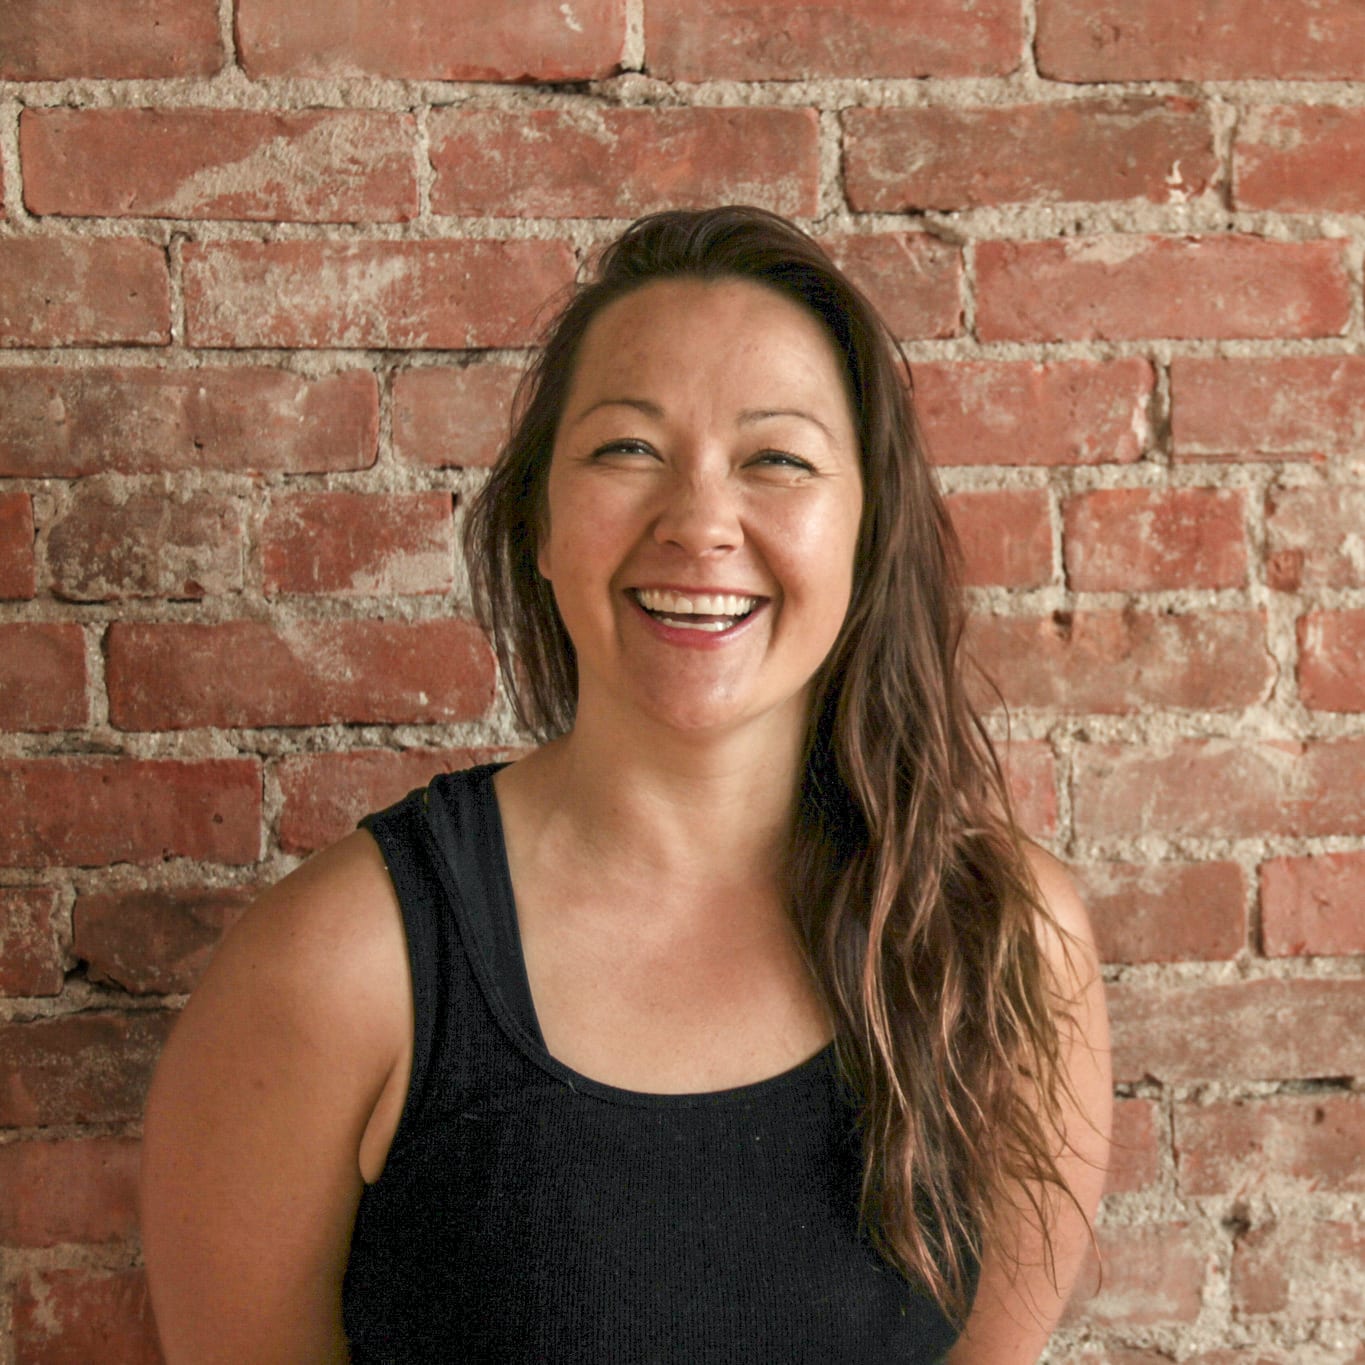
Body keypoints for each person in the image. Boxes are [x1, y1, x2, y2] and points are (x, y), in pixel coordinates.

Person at [141, 206, 1111, 1363]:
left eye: (778, 460)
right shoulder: (340, 969)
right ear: (541, 523)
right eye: (627, 449)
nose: (702, 521)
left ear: (867, 534)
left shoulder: (1001, 943)